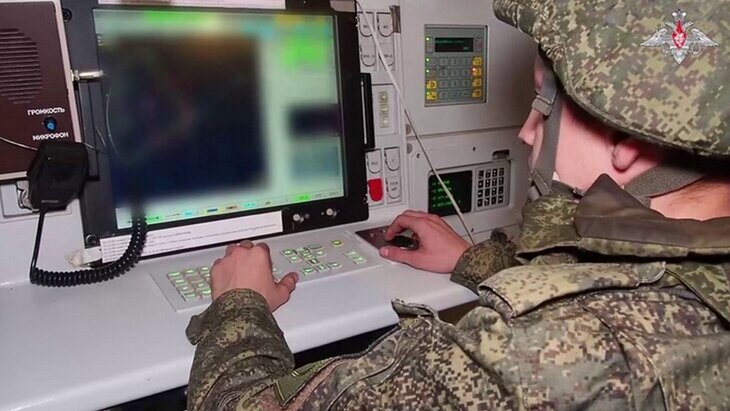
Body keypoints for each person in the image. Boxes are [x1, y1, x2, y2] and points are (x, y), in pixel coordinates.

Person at [185, 0, 730, 409]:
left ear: (625, 143)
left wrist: (238, 304)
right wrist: (473, 258)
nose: (527, 130)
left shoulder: (539, 359)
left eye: (544, 104)